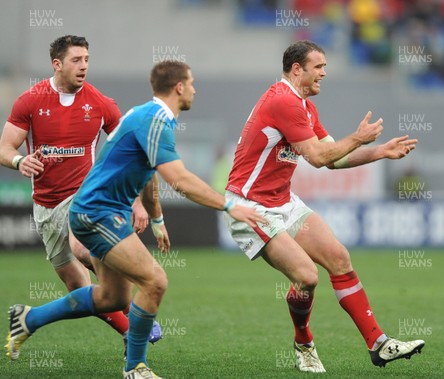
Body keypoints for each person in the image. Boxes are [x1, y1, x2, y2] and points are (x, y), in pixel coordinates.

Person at [6, 60, 265, 378]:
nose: (196, 89)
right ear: (179, 87)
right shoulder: (155, 119)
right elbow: (180, 180)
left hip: (97, 210)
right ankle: (136, 367)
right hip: (97, 213)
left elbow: (151, 173)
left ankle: (28, 319)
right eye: (192, 83)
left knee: (112, 297)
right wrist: (228, 206)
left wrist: (156, 218)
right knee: (154, 280)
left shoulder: (151, 117)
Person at [224, 40, 425, 373]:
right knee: (307, 276)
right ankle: (304, 342)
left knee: (339, 257)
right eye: (319, 67)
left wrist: (379, 152)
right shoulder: (283, 102)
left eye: (325, 67)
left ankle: (379, 344)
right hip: (251, 208)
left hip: (283, 202)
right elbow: (318, 158)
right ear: (297, 69)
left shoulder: (304, 107)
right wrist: (359, 138)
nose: (324, 73)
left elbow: (335, 159)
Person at [0, 35, 161, 348]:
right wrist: (20, 161)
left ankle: (136, 323)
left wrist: (140, 203)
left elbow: (133, 152)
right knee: (78, 287)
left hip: (86, 198)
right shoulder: (31, 100)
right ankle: (129, 329)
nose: (83, 66)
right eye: (76, 60)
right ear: (57, 64)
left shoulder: (99, 103)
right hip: (46, 206)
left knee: (88, 250)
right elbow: (5, 147)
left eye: (86, 59)